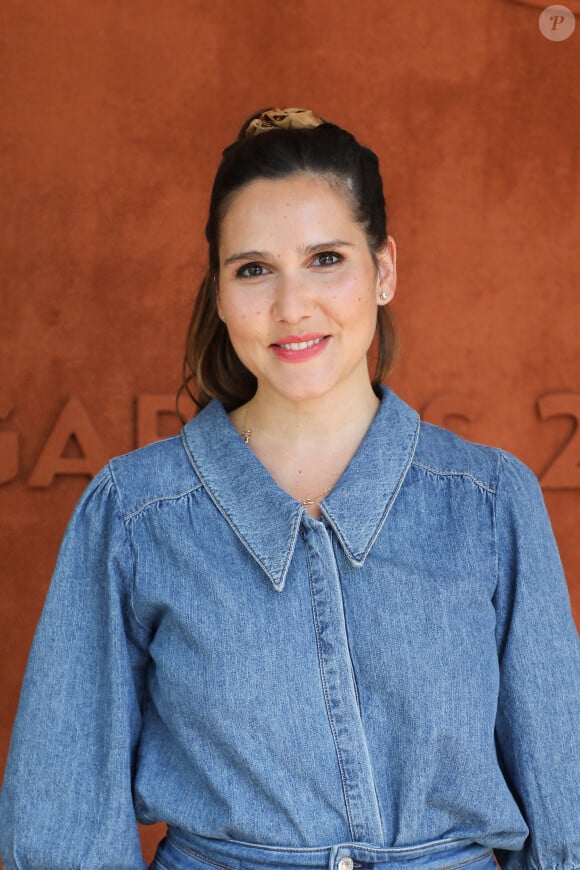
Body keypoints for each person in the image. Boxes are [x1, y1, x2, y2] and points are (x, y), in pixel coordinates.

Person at [0, 106, 578, 870]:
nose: (291, 306)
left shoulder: (491, 503)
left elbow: (566, 809)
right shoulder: (134, 515)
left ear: (385, 269)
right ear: (218, 291)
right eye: (254, 269)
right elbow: (61, 823)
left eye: (326, 259)